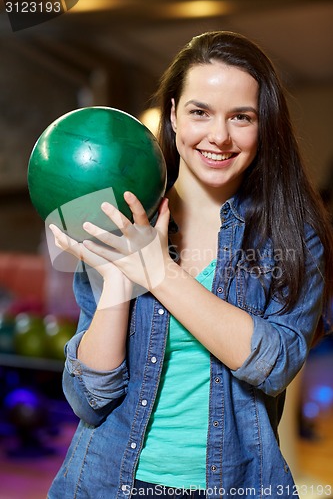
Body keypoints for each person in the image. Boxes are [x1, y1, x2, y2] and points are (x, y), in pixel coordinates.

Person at [47, 31, 333, 498]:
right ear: (175, 113)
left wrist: (158, 272)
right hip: (106, 484)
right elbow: (90, 400)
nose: (218, 136)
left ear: (264, 124)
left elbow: (276, 363)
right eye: (201, 112)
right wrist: (120, 281)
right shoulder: (115, 218)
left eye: (241, 117)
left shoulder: (291, 236)